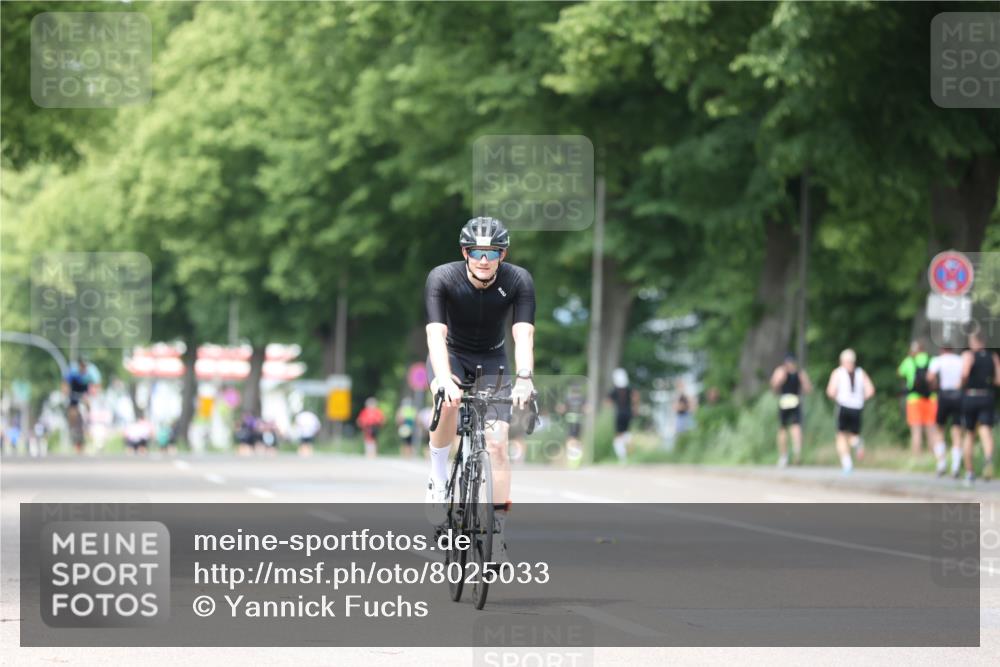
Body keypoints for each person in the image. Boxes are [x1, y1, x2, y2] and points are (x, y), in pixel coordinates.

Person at [424, 216, 536, 563]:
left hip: (493, 361)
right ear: (465, 252)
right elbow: (435, 335)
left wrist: (525, 378)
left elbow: (523, 334)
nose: (484, 259)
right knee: (448, 403)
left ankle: (497, 528)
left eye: (492, 252)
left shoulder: (518, 280)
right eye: (477, 252)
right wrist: (443, 378)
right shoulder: (443, 277)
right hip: (451, 356)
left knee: (498, 444)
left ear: (502, 254)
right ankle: (439, 475)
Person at [825, 349, 875, 474]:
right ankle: (858, 443)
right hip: (857, 407)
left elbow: (830, 391)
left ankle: (847, 463)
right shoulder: (860, 372)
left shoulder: (838, 372)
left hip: (843, 406)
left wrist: (837, 398)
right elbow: (870, 390)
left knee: (841, 435)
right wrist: (860, 399)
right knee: (854, 434)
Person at [959, 331, 1000, 486]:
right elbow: (998, 380)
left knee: (969, 434)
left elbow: (964, 374)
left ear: (973, 342)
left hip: (971, 396)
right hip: (987, 396)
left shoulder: (968, 355)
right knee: (985, 431)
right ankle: (988, 460)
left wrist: (962, 383)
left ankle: (969, 473)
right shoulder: (993, 357)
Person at [769, 353, 813, 467]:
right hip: (788, 401)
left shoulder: (797, 373)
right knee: (788, 428)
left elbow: (807, 388)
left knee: (792, 428)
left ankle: (792, 453)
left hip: (791, 401)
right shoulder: (788, 372)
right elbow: (774, 387)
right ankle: (788, 454)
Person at [928, 345, 964, 477]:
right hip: (957, 395)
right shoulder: (959, 360)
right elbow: (964, 376)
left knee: (939, 429)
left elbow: (930, 377)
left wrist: (934, 387)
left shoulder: (938, 360)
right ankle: (955, 466)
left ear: (942, 350)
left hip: (943, 395)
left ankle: (941, 464)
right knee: (957, 430)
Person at [897, 340, 938, 458]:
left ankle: (916, 458)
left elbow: (900, 373)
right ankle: (933, 457)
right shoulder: (931, 360)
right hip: (931, 399)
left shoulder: (909, 360)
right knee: (932, 429)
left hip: (914, 399)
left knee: (916, 431)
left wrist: (910, 357)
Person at [607, 368, 638, 463]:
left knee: (618, 437)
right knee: (626, 432)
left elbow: (608, 402)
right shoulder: (629, 388)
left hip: (619, 414)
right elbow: (636, 396)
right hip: (628, 413)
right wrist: (634, 407)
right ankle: (629, 443)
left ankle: (623, 458)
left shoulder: (615, 390)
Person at [62, 359, 93, 454]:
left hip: (83, 396)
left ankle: (88, 422)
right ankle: (72, 425)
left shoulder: (88, 376)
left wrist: (87, 399)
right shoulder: (73, 374)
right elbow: (65, 384)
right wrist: (65, 392)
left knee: (88, 406)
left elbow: (89, 389)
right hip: (73, 396)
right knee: (72, 412)